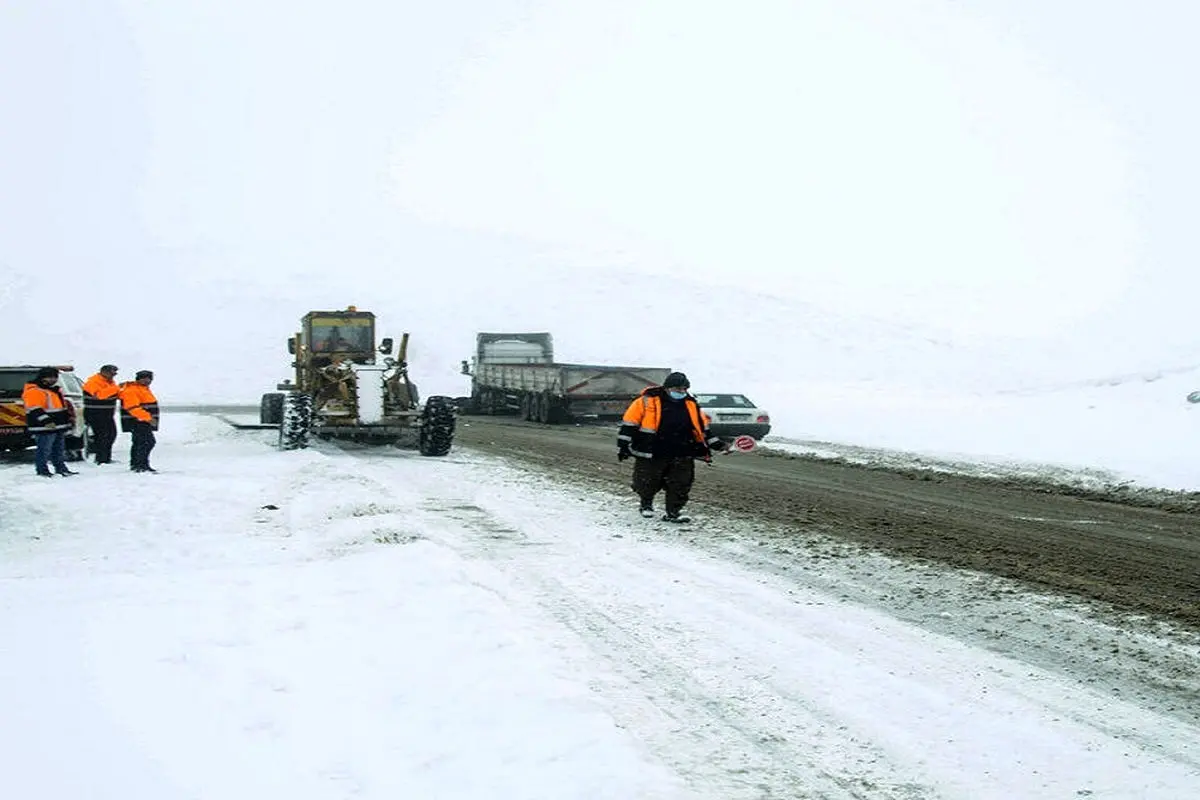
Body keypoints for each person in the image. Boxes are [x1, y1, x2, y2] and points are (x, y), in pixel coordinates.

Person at [617, 371, 726, 523]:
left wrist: (718, 445)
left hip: (683, 451)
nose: (681, 392)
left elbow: (702, 428)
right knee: (648, 480)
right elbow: (630, 424)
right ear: (667, 388)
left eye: (684, 389)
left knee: (681, 483)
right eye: (677, 389)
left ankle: (673, 512)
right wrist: (623, 445)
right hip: (653, 451)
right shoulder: (646, 401)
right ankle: (646, 504)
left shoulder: (691, 404)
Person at [22, 367, 78, 477]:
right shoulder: (34, 391)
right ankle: (42, 470)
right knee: (44, 450)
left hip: (58, 426)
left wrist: (68, 420)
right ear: (42, 378)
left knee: (58, 450)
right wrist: (46, 421)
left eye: (55, 377)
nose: (53, 380)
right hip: (44, 427)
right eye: (50, 377)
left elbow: (60, 408)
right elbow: (34, 409)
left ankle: (61, 468)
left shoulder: (54, 391)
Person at [119, 370, 159, 473]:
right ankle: (141, 465)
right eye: (144, 378)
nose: (147, 380)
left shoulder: (143, 389)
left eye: (149, 378)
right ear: (138, 379)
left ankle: (137, 464)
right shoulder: (131, 390)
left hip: (141, 421)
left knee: (139, 442)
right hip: (137, 421)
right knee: (147, 442)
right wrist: (149, 418)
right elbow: (132, 408)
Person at [82, 364, 120, 464]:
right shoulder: (92, 382)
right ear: (104, 372)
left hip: (107, 414)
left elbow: (115, 394)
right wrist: (117, 388)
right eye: (112, 373)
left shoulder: (110, 383)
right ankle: (101, 459)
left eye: (115, 373)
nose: (113, 375)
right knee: (102, 436)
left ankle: (106, 458)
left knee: (111, 435)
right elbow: (100, 395)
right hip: (95, 414)